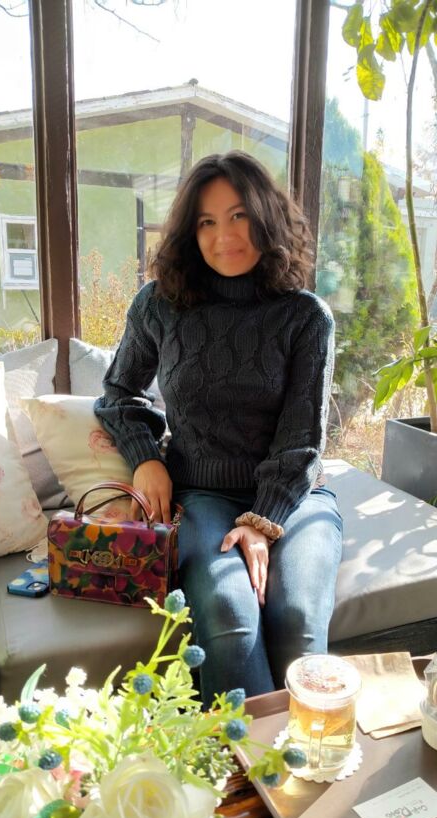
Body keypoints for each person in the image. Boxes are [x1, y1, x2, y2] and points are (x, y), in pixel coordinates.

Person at [94, 150, 343, 706]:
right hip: (201, 494)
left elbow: (302, 439)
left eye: (239, 216)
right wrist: (146, 458)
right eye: (206, 221)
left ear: (266, 218)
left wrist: (261, 522)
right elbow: (118, 393)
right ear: (190, 231)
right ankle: (246, 759)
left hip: (295, 498)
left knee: (298, 615)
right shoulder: (159, 305)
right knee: (230, 612)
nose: (223, 236)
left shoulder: (306, 317)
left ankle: (308, 751)